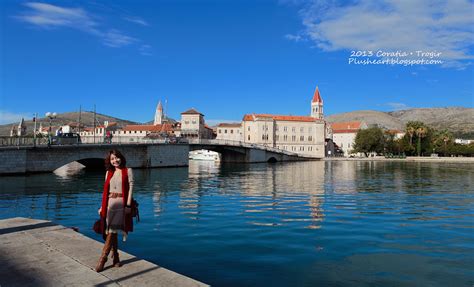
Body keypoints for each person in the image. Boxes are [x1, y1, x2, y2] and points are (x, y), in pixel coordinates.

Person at [95, 149, 134, 272]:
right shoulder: (108, 172)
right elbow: (105, 190)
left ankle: (103, 258)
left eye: (116, 158)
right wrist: (102, 206)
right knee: (113, 231)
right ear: (109, 161)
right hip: (109, 204)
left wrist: (128, 206)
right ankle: (116, 256)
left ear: (121, 158)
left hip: (121, 204)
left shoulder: (128, 171)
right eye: (112, 159)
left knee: (111, 231)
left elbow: (131, 189)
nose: (115, 160)